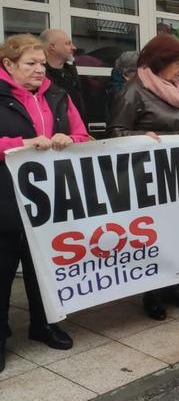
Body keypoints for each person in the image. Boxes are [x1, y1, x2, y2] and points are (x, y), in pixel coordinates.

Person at [0, 34, 90, 372]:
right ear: (8, 65)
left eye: (41, 63)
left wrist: (70, 138)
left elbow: (83, 135)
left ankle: (44, 325)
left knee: (44, 269)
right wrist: (20, 143)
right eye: (31, 64)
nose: (40, 70)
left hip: (47, 203)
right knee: (3, 269)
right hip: (5, 199)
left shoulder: (57, 95)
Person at [108, 34, 179, 320]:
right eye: (178, 63)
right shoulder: (133, 91)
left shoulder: (177, 88)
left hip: (178, 174)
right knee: (157, 235)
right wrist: (142, 137)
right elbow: (115, 132)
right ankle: (153, 292)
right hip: (148, 176)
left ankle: (174, 285)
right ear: (161, 62)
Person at [39, 29, 85, 117]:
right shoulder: (39, 76)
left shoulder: (71, 73)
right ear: (52, 46)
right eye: (68, 43)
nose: (74, 47)